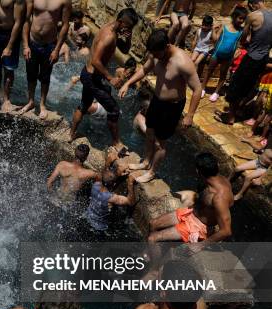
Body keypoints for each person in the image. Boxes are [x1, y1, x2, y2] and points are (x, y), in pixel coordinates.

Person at [119, 29, 202, 183]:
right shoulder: (155, 54)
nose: (155, 57)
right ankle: (145, 162)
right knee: (150, 132)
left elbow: (197, 90)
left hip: (172, 106)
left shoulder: (183, 62)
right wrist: (127, 83)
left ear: (167, 46)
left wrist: (190, 115)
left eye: (157, 54)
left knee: (160, 142)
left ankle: (152, 172)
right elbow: (144, 69)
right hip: (157, 100)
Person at [69, 8, 139, 147]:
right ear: (121, 22)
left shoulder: (113, 29)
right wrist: (110, 78)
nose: (128, 29)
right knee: (113, 110)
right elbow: (95, 60)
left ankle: (71, 135)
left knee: (84, 105)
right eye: (128, 26)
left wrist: (129, 36)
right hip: (91, 77)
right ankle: (116, 142)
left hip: (88, 75)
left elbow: (124, 49)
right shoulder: (109, 36)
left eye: (131, 28)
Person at [148, 152, 233, 243]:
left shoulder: (219, 197)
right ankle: (153, 250)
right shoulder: (214, 179)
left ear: (198, 171)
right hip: (190, 213)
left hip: (198, 226)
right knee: (153, 223)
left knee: (152, 238)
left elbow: (226, 231)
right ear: (217, 165)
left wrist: (201, 245)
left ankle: (153, 256)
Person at [219, 0, 272, 125]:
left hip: (252, 57)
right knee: (251, 86)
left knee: (236, 85)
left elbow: (243, 37)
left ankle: (231, 117)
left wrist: (249, 42)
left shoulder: (253, 16)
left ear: (253, 4)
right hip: (263, 58)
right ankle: (239, 110)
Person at [18, 0, 71, 119]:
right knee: (31, 74)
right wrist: (25, 45)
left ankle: (42, 104)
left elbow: (65, 24)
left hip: (49, 44)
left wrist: (57, 49)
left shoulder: (64, 1)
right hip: (33, 42)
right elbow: (26, 20)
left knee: (45, 77)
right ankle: (31, 101)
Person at [200, 7, 247, 102]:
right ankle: (202, 88)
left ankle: (216, 92)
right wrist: (213, 30)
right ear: (234, 16)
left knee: (223, 75)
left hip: (228, 57)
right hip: (216, 54)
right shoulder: (224, 27)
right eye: (240, 18)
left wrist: (238, 51)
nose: (242, 21)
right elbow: (215, 39)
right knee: (209, 71)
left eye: (243, 19)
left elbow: (243, 42)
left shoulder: (241, 31)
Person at [0, 0, 25, 111]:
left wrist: (10, 46)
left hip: (10, 34)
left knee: (9, 69)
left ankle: (7, 99)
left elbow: (18, 22)